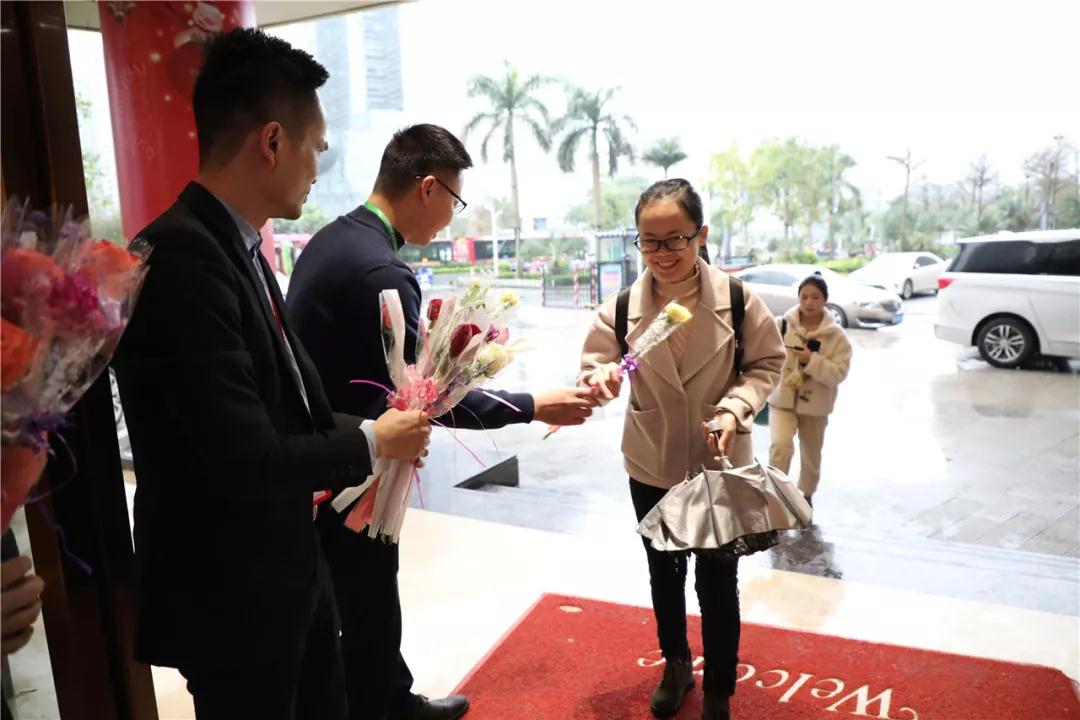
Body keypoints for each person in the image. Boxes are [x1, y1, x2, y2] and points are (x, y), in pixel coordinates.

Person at [112, 29, 430, 720]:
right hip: (232, 593)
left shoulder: (236, 245)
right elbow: (238, 456)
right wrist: (374, 440)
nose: (318, 167)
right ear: (273, 141)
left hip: (285, 569)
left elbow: (289, 408)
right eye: (317, 147)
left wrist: (383, 431)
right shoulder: (180, 261)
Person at [287, 123, 597, 720]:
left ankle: (387, 695)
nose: (451, 218)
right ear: (427, 187)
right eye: (454, 200)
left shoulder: (331, 242)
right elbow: (425, 398)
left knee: (357, 603)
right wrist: (534, 405)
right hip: (352, 474)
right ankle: (385, 707)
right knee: (367, 600)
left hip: (328, 456)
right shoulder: (381, 272)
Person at [579, 179, 784, 720]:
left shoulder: (737, 300)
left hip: (718, 462)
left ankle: (719, 686)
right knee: (664, 573)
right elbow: (594, 365)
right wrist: (599, 379)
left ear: (701, 235)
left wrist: (735, 408)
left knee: (718, 579)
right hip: (653, 459)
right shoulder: (622, 308)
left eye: (676, 239)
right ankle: (675, 665)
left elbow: (767, 364)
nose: (662, 253)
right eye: (650, 241)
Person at [766, 274, 852, 506]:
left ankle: (806, 495)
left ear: (825, 300)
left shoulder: (836, 336)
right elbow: (765, 356)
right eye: (804, 297)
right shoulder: (782, 324)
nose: (809, 302)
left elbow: (839, 373)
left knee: (811, 454)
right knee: (780, 445)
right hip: (782, 400)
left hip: (816, 405)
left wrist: (811, 361)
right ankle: (775, 495)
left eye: (815, 297)